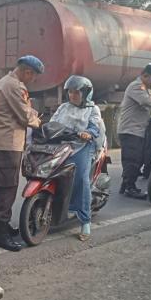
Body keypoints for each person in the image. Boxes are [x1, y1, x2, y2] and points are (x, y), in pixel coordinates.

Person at [0, 55, 43, 251]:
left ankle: (4, 227)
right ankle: (1, 234)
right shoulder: (15, 86)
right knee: (7, 187)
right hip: (9, 143)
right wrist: (38, 121)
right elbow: (25, 114)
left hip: (3, 141)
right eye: (33, 76)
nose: (32, 80)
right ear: (28, 71)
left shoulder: (4, 82)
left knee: (5, 185)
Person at [50, 76, 104, 240]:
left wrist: (88, 133)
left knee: (80, 179)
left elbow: (95, 126)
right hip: (63, 145)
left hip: (83, 146)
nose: (72, 95)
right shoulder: (63, 107)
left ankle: (85, 221)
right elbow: (52, 123)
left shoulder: (92, 109)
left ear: (86, 94)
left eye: (76, 92)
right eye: (70, 92)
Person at [117, 63, 151, 199]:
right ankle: (130, 188)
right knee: (133, 159)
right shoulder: (137, 86)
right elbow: (146, 101)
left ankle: (126, 185)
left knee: (138, 158)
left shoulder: (146, 88)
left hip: (138, 130)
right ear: (145, 75)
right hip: (130, 130)